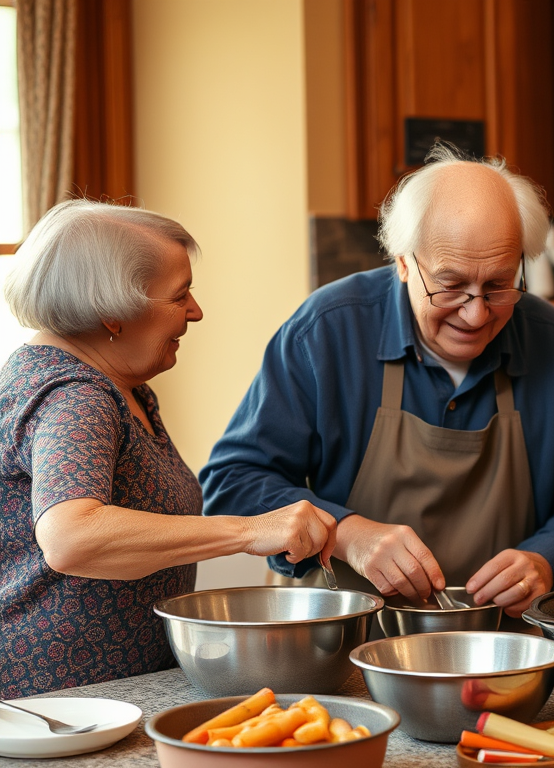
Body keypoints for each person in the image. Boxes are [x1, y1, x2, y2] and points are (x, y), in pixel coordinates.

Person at [199, 145, 554, 617]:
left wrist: (547, 561)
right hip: (337, 642)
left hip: (499, 648)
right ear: (404, 261)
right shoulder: (328, 331)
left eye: (498, 285)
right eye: (450, 286)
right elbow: (233, 483)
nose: (475, 314)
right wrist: (346, 533)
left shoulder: (552, 340)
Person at [0, 201, 337, 698]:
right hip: (59, 707)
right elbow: (72, 536)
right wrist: (249, 531)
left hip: (113, 694)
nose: (196, 311)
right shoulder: (76, 395)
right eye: (180, 296)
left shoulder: (123, 385)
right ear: (111, 313)